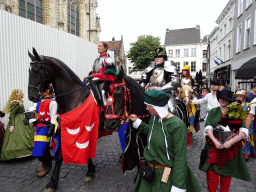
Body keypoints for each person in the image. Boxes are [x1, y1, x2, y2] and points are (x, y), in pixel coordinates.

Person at [129, 90, 200, 192]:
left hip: (166, 174)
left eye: (149, 106)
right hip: (149, 172)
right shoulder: (154, 118)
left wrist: (178, 185)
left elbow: (180, 158)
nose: (146, 109)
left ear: (157, 107)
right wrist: (137, 122)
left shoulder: (177, 125)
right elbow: (152, 133)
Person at [199, 89, 251, 192]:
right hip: (213, 148)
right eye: (221, 98)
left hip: (229, 150)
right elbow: (208, 127)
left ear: (229, 100)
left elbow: (243, 131)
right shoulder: (213, 111)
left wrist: (230, 142)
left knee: (226, 177)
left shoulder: (235, 113)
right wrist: (214, 140)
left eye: (225, 99)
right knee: (211, 176)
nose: (222, 100)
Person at [140, 47, 180, 115]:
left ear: (164, 58)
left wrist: (160, 90)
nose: (157, 59)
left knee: (172, 110)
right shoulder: (149, 69)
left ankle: (176, 124)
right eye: (156, 57)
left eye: (160, 57)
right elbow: (143, 81)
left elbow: (175, 82)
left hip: (165, 94)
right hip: (150, 95)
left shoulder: (170, 68)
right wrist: (141, 89)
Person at [0, 89, 35, 161]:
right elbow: (12, 115)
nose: (23, 94)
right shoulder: (15, 103)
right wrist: (12, 125)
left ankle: (29, 152)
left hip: (22, 120)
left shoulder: (20, 102)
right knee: (17, 138)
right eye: (22, 93)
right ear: (19, 94)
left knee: (26, 136)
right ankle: (17, 154)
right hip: (17, 121)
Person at [32, 85, 57, 178]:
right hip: (38, 127)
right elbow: (36, 115)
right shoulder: (39, 102)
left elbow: (54, 116)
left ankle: (47, 166)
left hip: (45, 127)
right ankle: (45, 165)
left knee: (40, 149)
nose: (40, 93)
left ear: (46, 91)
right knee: (40, 148)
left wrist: (51, 128)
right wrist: (30, 120)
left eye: (42, 91)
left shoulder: (52, 103)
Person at [234, 90, 256, 160]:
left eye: (240, 96)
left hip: (246, 122)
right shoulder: (234, 105)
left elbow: (251, 115)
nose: (238, 98)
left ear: (243, 97)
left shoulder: (248, 105)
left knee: (247, 137)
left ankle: (247, 152)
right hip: (237, 123)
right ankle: (238, 152)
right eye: (237, 96)